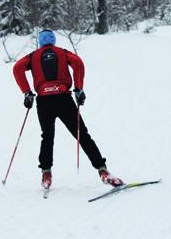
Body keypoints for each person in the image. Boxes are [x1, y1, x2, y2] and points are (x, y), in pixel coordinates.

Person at [12, 29, 123, 189]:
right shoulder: (62, 53)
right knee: (82, 135)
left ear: (40, 41)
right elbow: (78, 62)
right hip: (64, 99)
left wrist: (27, 92)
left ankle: (46, 173)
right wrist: (79, 88)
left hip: (44, 102)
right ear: (53, 40)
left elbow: (17, 68)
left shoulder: (33, 56)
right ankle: (103, 170)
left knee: (47, 137)